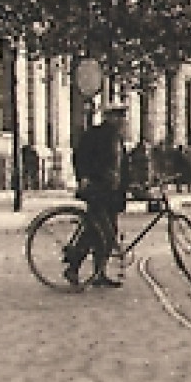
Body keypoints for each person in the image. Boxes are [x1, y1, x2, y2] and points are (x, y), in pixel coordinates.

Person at [69, 104, 130, 287]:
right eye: (117, 117)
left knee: (104, 233)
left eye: (122, 117)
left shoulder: (117, 138)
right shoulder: (95, 134)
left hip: (112, 192)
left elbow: (122, 166)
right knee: (99, 232)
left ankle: (99, 272)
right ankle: (73, 267)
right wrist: (84, 177)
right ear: (108, 117)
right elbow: (80, 156)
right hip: (97, 189)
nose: (121, 121)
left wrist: (130, 185)